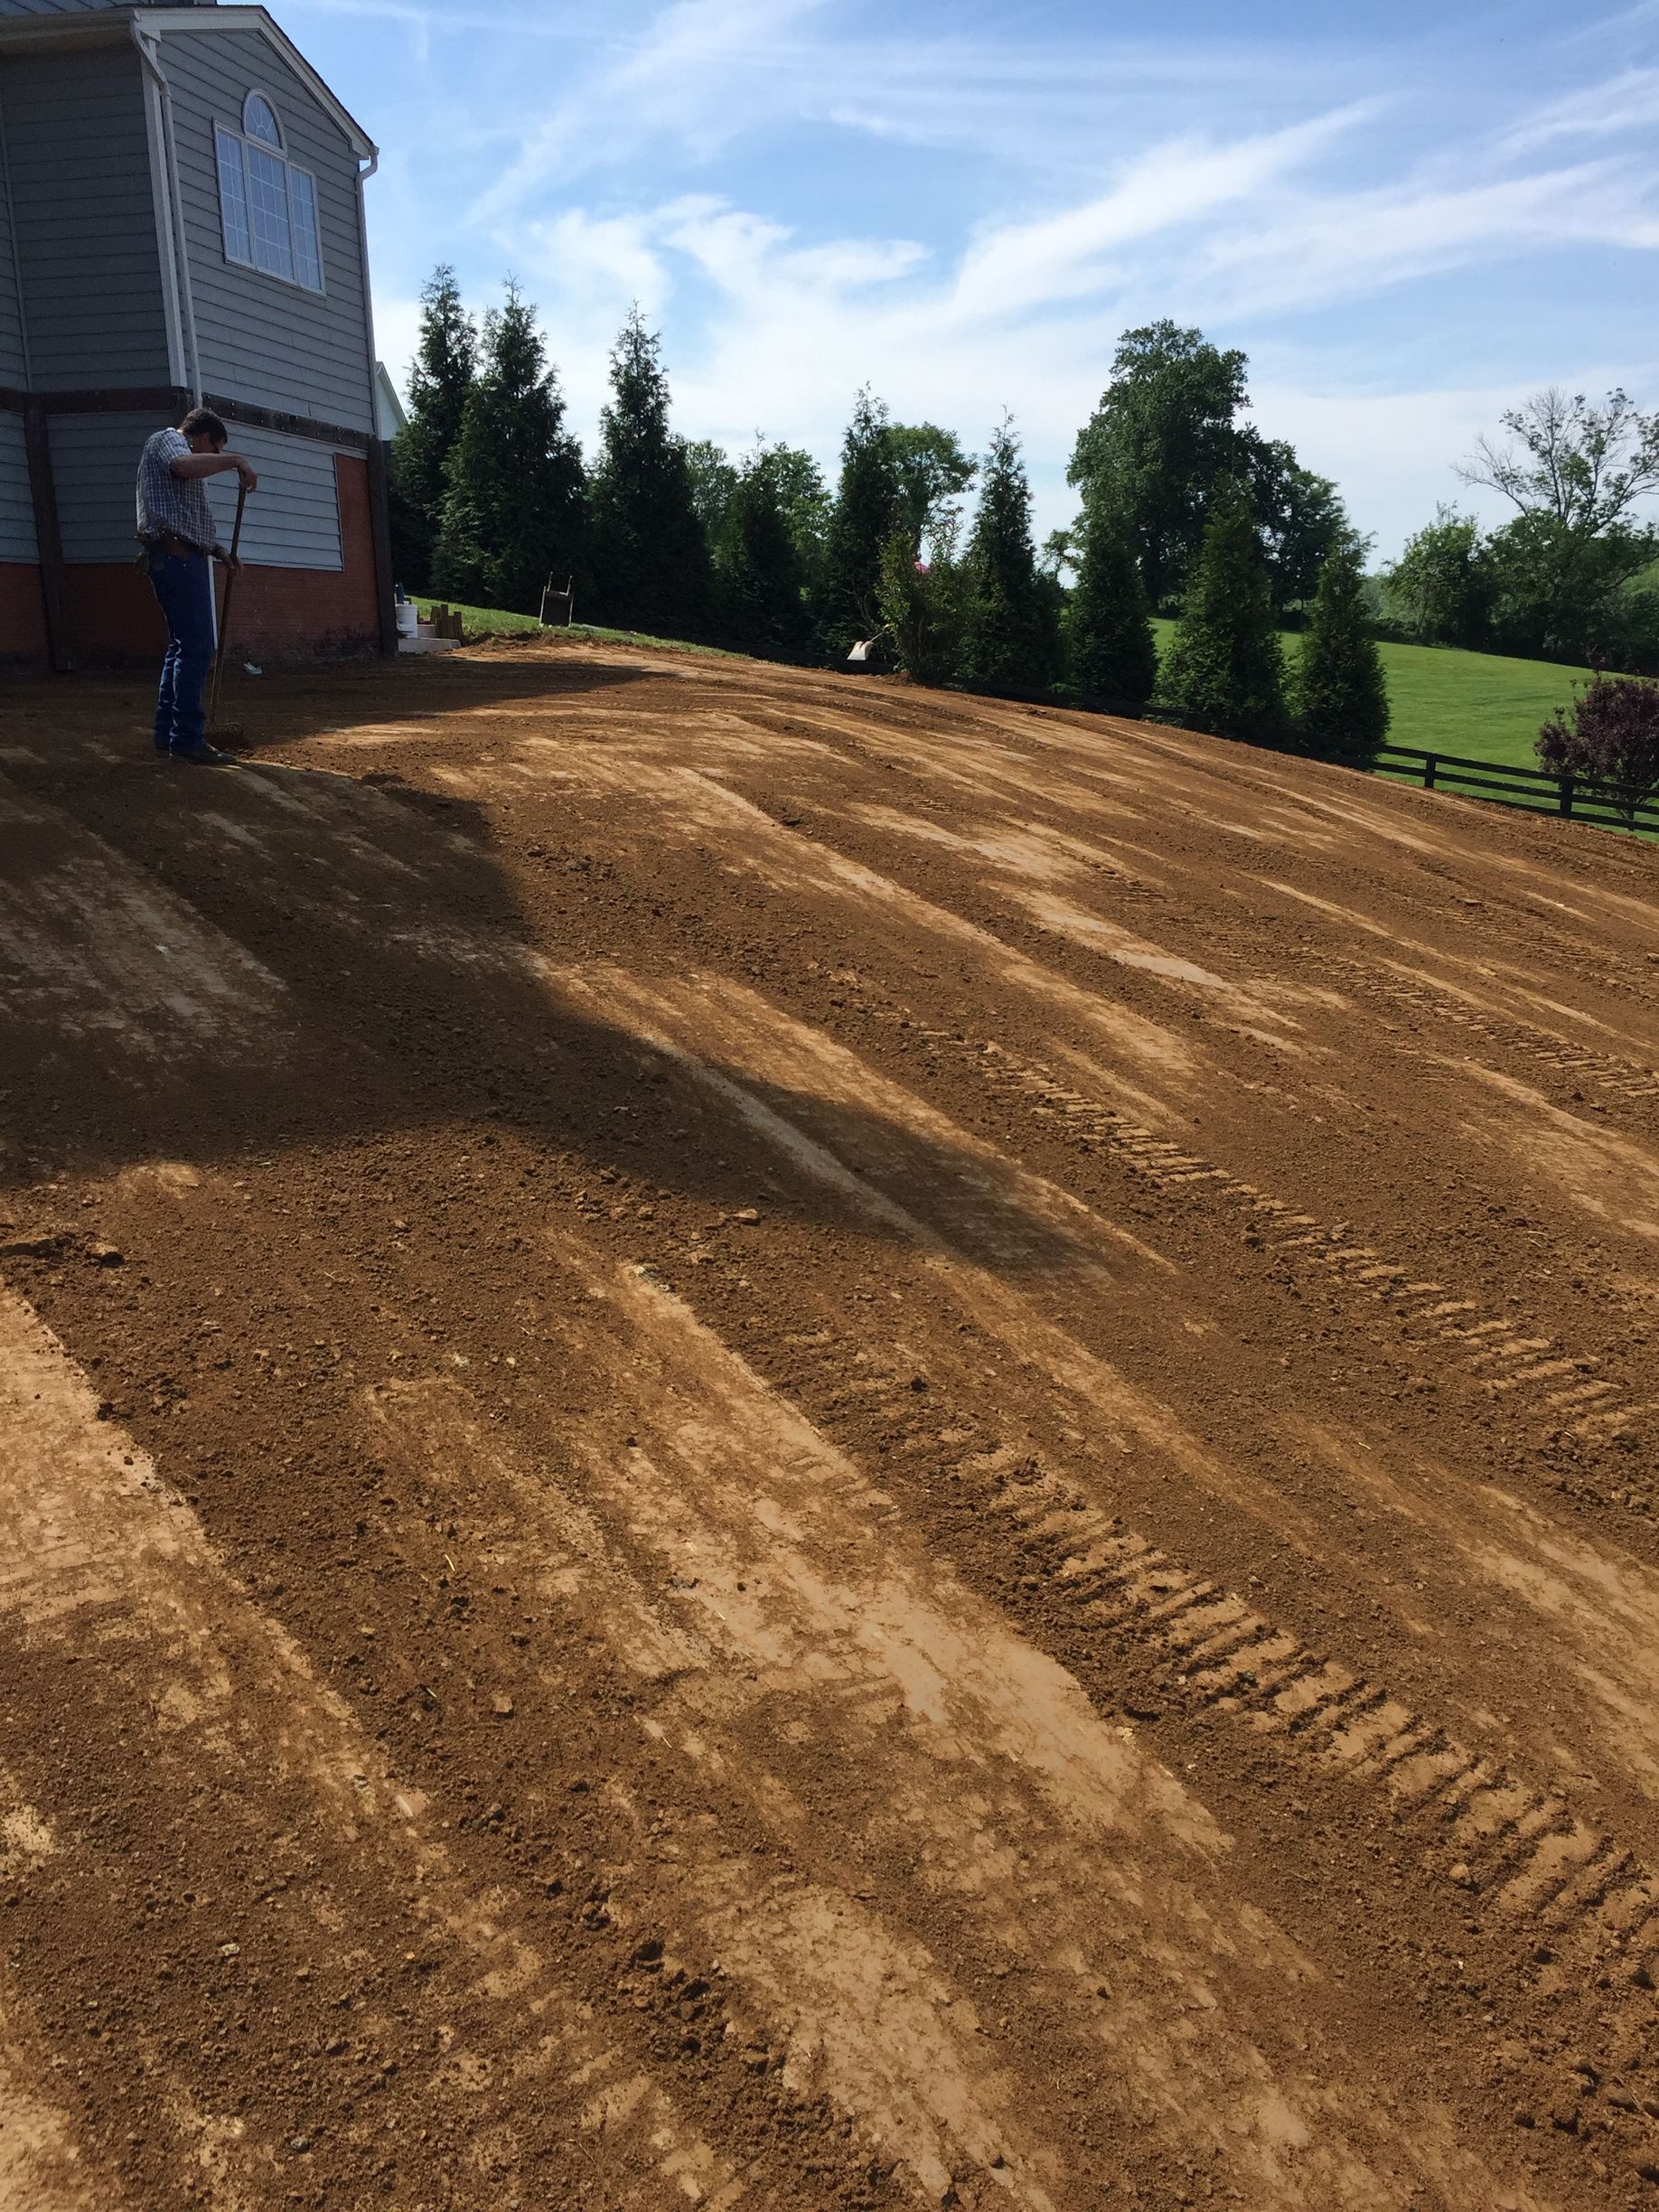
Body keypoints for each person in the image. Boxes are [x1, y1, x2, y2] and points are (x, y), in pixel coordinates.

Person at [136, 408, 258, 764]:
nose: (215, 458)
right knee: (198, 646)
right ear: (201, 437)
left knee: (182, 646)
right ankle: (187, 738)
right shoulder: (170, 441)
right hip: (175, 557)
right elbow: (183, 467)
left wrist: (219, 550)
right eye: (215, 448)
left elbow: (184, 516)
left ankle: (169, 732)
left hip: (180, 554)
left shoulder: (180, 454)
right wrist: (235, 461)